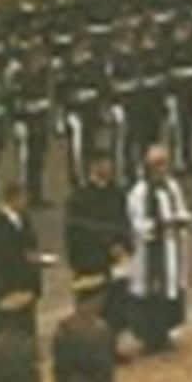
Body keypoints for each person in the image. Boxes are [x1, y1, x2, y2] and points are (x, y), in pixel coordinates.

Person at [64, 149, 134, 356]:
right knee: (93, 306)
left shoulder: (117, 194)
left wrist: (124, 246)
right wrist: (106, 246)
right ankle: (91, 351)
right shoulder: (80, 198)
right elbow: (78, 232)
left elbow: (124, 223)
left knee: (116, 305)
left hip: (116, 260)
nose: (108, 168)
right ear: (93, 167)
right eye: (104, 163)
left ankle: (112, 346)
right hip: (91, 261)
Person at [127, 144, 191, 352]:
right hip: (150, 251)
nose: (162, 169)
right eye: (158, 165)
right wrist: (157, 225)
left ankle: (165, 332)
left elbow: (180, 208)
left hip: (170, 246)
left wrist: (180, 219)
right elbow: (136, 222)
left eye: (164, 164)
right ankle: (150, 337)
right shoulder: (139, 192)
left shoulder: (172, 187)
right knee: (151, 291)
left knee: (170, 289)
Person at [0, 180, 44, 366]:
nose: (27, 201)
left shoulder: (24, 220)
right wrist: (4, 293)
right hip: (2, 287)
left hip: (22, 283)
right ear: (14, 199)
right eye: (24, 197)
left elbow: (29, 248)